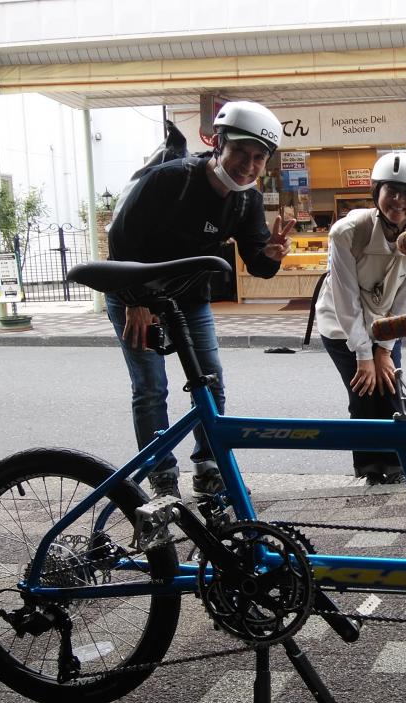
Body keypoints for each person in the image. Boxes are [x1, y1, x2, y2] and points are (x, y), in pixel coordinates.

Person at [106, 100, 294, 500]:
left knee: (210, 381)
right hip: (133, 293)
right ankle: (161, 474)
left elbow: (257, 263)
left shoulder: (246, 200)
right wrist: (136, 301)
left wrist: (272, 255)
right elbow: (121, 238)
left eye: (258, 157)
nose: (248, 165)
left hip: (188, 298)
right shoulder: (170, 179)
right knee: (151, 387)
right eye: (240, 151)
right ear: (219, 144)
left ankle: (209, 468)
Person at [314, 152, 406, 485]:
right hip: (341, 324)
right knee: (364, 390)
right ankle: (369, 468)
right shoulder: (347, 232)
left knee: (389, 388)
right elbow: (345, 298)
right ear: (376, 191)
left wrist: (383, 350)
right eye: (391, 190)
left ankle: (398, 465)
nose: (399, 200)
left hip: (387, 324)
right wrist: (364, 354)